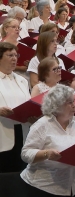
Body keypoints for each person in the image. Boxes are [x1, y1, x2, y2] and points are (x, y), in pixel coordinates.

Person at [20, 84, 75, 196]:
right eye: (70, 102)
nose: (74, 105)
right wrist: (47, 154)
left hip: (71, 186)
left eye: (74, 101)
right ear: (57, 105)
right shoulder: (42, 124)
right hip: (43, 187)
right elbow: (25, 154)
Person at [0, 42, 32, 172]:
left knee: (19, 173)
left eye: (15, 55)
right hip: (2, 131)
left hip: (22, 131)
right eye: (9, 55)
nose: (14, 58)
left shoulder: (22, 80)